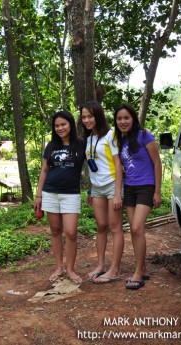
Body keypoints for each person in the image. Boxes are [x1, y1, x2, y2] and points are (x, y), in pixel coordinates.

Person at [34, 110, 86, 285]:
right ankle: (59, 267)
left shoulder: (81, 144)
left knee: (71, 232)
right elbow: (44, 171)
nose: (60, 128)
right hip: (50, 193)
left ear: (70, 124)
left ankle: (70, 269)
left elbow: (95, 162)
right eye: (57, 125)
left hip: (71, 194)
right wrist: (38, 195)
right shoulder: (51, 146)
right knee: (55, 231)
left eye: (63, 124)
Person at [113, 104, 162, 290]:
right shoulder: (122, 141)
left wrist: (157, 191)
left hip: (146, 187)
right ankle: (141, 268)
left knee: (136, 227)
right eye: (119, 119)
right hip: (130, 188)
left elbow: (157, 163)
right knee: (134, 231)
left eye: (126, 118)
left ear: (133, 119)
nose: (123, 122)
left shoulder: (144, 135)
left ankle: (139, 272)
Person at [79, 101, 124, 284]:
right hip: (97, 188)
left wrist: (118, 193)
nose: (87, 120)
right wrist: (90, 189)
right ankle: (100, 266)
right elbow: (93, 166)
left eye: (90, 116)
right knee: (101, 226)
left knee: (115, 227)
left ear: (98, 116)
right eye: (83, 117)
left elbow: (118, 164)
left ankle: (114, 270)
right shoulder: (89, 139)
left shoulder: (111, 135)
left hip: (112, 185)